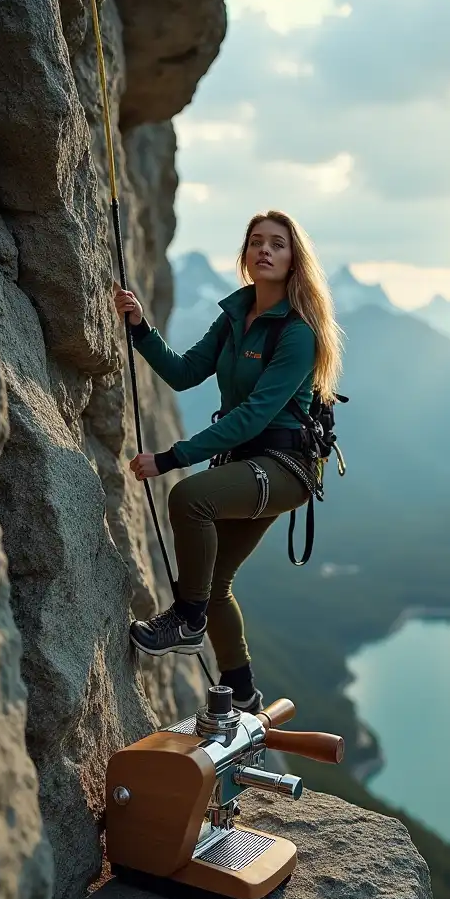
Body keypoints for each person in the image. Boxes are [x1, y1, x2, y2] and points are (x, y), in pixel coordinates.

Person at [112, 210, 343, 713]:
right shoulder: (236, 316)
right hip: (248, 461)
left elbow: (258, 415)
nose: (265, 249)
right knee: (216, 583)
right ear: (245, 255)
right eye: (256, 241)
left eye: (277, 244)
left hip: (285, 466)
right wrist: (140, 328)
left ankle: (187, 618)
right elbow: (184, 371)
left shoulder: (299, 333)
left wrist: (174, 457)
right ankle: (243, 698)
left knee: (189, 497)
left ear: (293, 259)